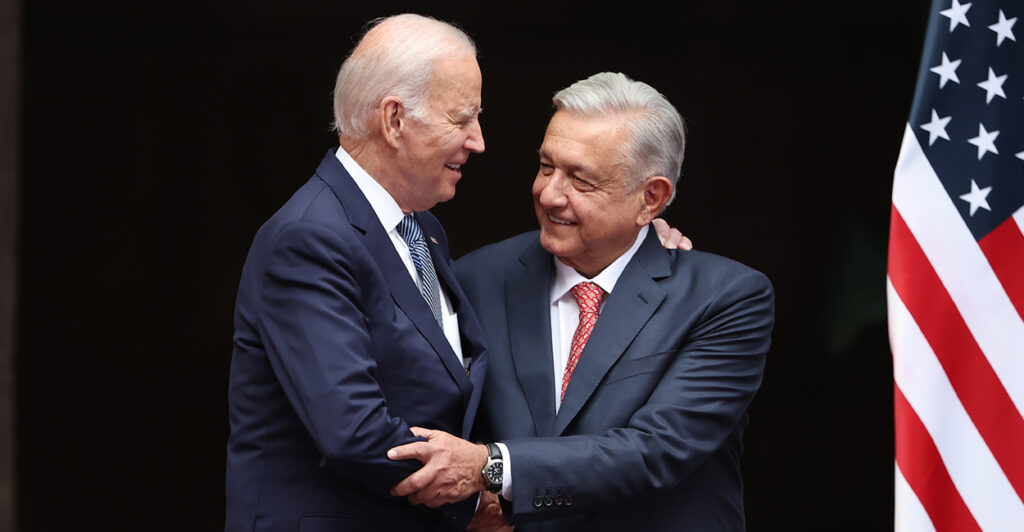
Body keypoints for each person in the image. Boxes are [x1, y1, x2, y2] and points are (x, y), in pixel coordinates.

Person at [387, 72, 775, 531]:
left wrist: (490, 466)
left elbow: (657, 449)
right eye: (547, 166)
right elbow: (431, 422)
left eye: (581, 179)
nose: (549, 194)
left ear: (651, 199)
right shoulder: (475, 279)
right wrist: (467, 510)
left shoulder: (724, 298)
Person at [224, 14, 491, 531]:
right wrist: (476, 500)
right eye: (461, 120)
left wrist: (638, 244)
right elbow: (355, 431)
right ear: (394, 120)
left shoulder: (423, 229)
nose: (478, 141)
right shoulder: (309, 238)